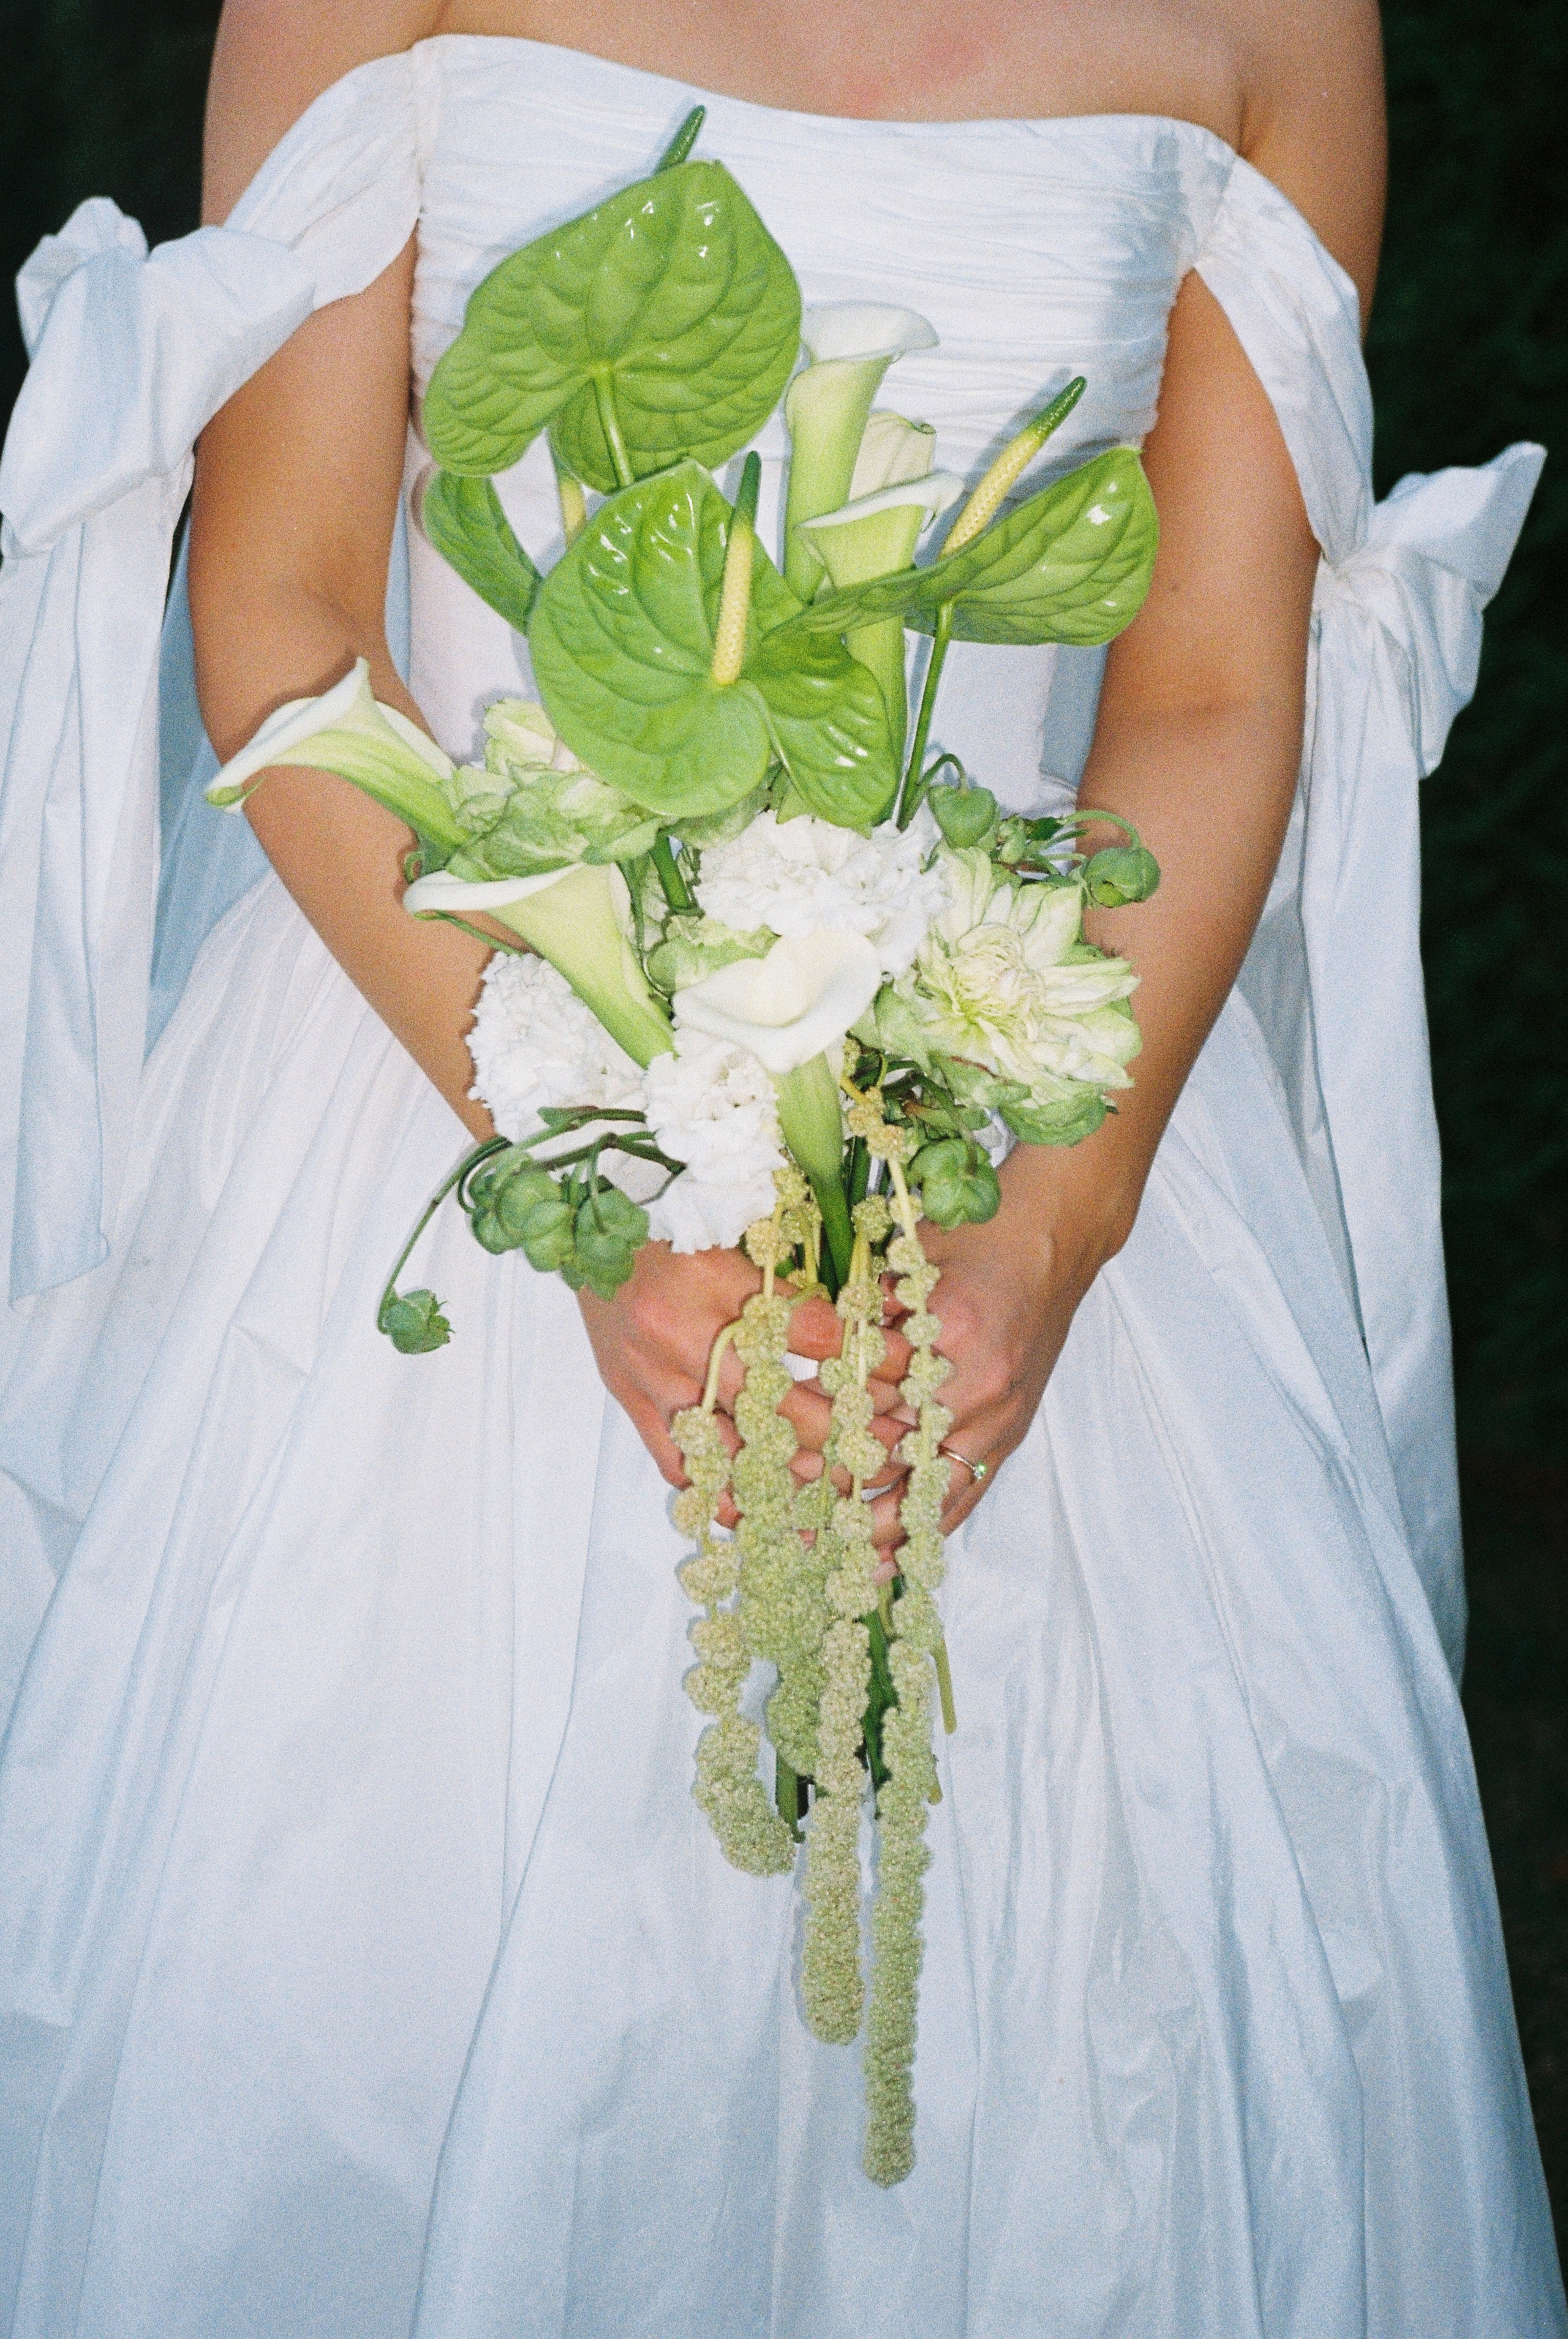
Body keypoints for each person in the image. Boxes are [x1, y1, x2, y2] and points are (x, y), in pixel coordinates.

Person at [0, 1, 1559, 2332]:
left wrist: (1045, 1239)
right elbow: (289, 598)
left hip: (1026, 1117)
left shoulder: (1273, 23)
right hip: (450, 1070)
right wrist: (597, 1154)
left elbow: (1218, 679)